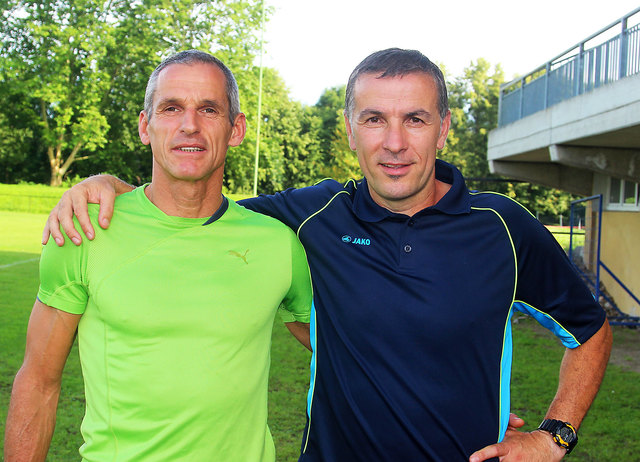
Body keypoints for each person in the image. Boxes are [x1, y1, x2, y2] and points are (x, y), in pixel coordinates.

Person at [41, 48, 612, 462]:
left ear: (443, 129)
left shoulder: (502, 226)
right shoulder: (313, 217)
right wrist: (107, 183)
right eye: (374, 119)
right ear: (349, 130)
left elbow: (589, 331)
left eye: (414, 119)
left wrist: (553, 433)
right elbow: (195, 197)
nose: (393, 142)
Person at [4, 50, 313, 462]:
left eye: (209, 109)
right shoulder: (87, 231)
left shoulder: (278, 244)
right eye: (171, 108)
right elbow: (38, 382)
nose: (190, 125)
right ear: (145, 126)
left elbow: (345, 348)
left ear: (235, 128)